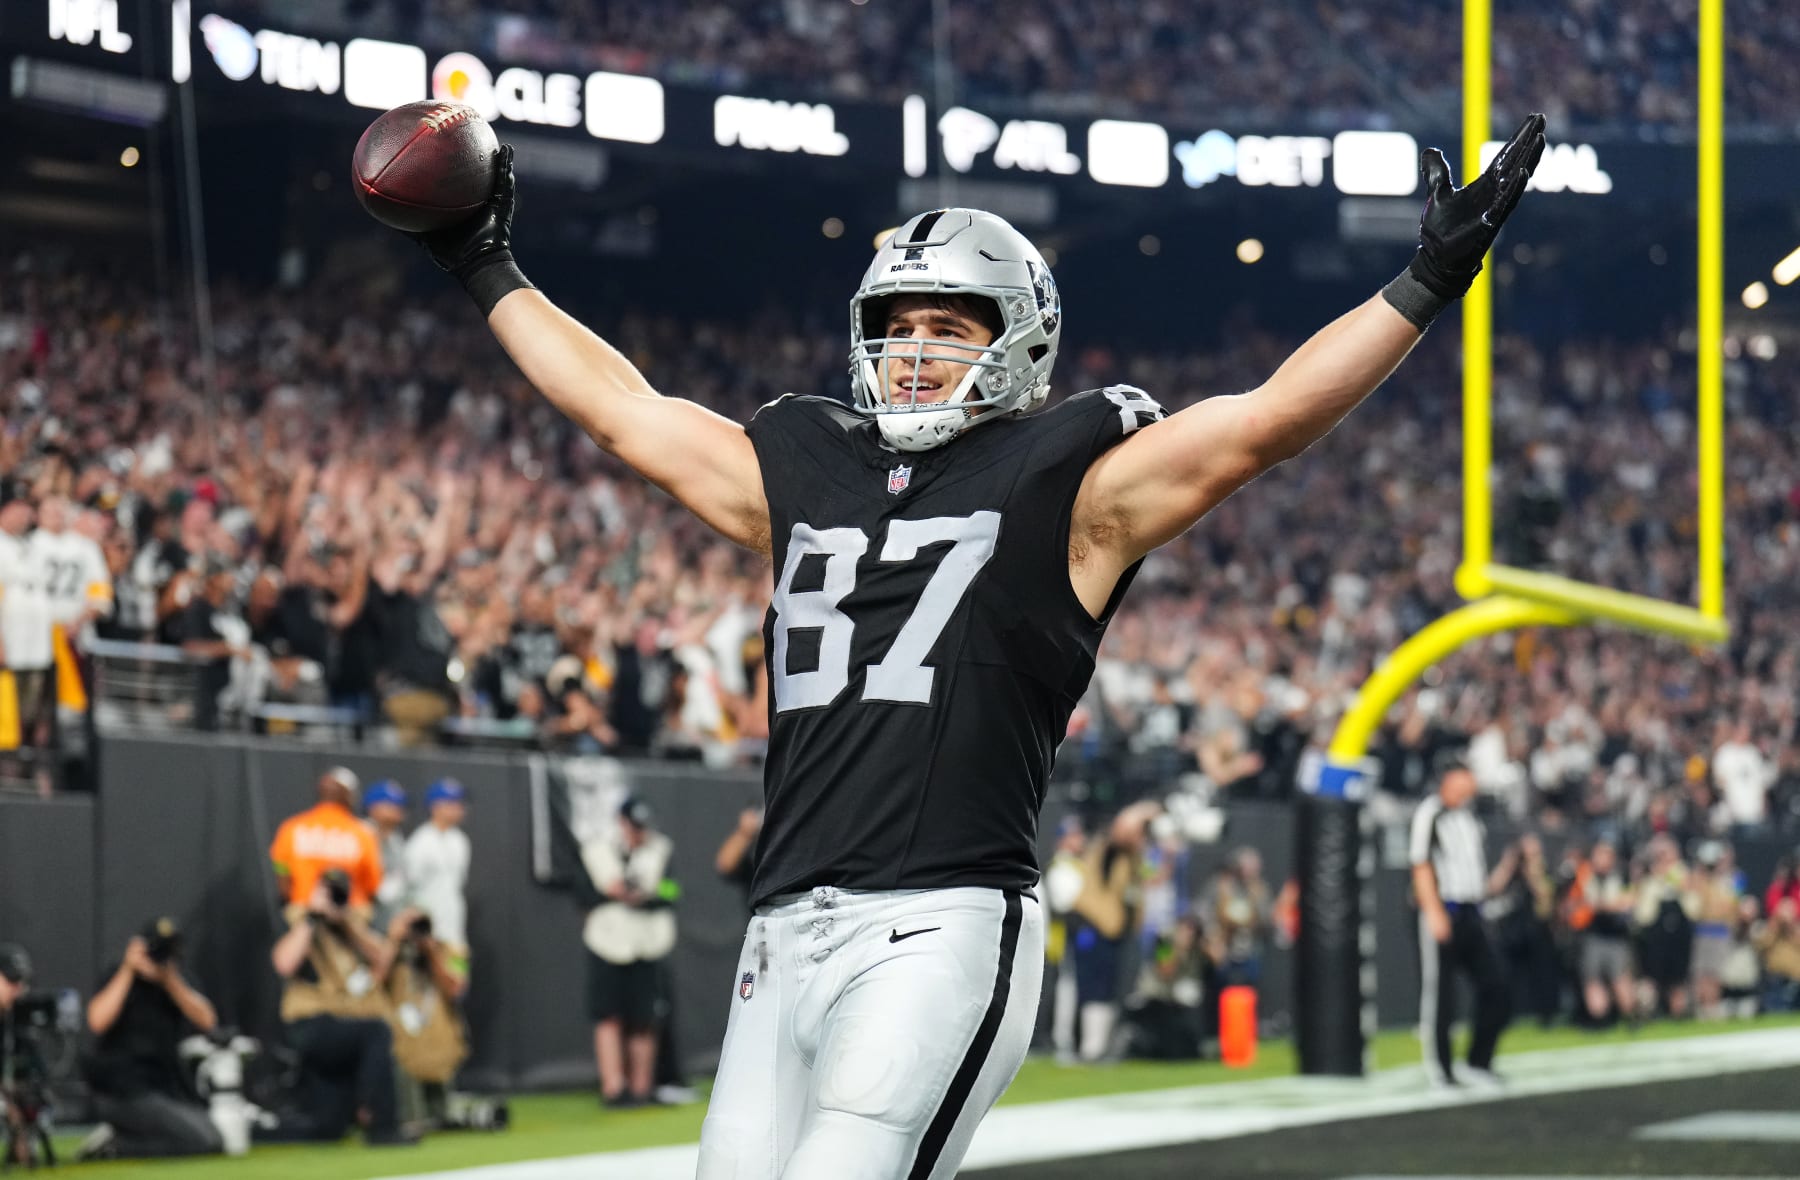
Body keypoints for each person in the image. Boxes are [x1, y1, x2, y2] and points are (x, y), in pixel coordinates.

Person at [386, 111, 1547, 1177]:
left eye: (950, 325)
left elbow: (1262, 423)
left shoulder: (1073, 484)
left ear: (1020, 341)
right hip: (781, 925)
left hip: (938, 917)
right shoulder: (806, 461)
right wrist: (483, 262)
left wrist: (1427, 279)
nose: (916, 350)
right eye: (896, 325)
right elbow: (622, 407)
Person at [269, 869, 415, 1146]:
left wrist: (346, 921)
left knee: (327, 1127)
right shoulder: (298, 918)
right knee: (376, 1032)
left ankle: (259, 1134)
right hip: (310, 1023)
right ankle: (383, 1127)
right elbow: (283, 964)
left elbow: (383, 959)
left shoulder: (351, 924)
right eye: (330, 892)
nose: (334, 898)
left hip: (344, 1026)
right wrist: (313, 915)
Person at [79, 919, 224, 1160]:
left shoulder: (176, 982)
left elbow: (208, 1020)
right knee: (201, 1142)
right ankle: (115, 1149)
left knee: (214, 1138)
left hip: (163, 1089)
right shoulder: (120, 977)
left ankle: (122, 1139)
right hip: (123, 1090)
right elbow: (96, 1020)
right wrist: (128, 969)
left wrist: (170, 980)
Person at [1410, 763, 1511, 1088]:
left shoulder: (1470, 819)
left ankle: (1478, 1062)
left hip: (1472, 911)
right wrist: (1434, 911)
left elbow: (1478, 876)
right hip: (1444, 909)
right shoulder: (1430, 813)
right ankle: (1441, 1070)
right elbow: (1421, 864)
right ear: (1450, 779)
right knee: (1441, 996)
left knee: (1496, 985)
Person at [579, 795, 675, 1107]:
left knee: (644, 1018)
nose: (639, 833)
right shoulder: (597, 850)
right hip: (607, 941)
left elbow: (674, 890)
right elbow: (584, 892)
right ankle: (613, 1087)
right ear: (621, 823)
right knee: (609, 1015)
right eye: (633, 826)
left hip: (646, 942)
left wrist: (647, 895)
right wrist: (615, 892)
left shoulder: (661, 849)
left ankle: (641, 1087)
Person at [0, 484, 55, 794]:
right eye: (20, 506)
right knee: (6, 717)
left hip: (35, 648)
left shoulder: (30, 546)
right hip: (9, 647)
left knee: (32, 716)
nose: (26, 513)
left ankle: (25, 775)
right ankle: (8, 778)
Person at [269, 767, 383, 909]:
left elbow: (281, 870)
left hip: (304, 906)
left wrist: (292, 899)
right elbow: (372, 882)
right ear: (349, 796)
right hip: (350, 912)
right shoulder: (362, 832)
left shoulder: (292, 827)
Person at [1564, 838, 1639, 1025]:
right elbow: (1571, 906)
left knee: (1621, 978)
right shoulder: (1583, 875)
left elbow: (1627, 903)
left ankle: (1629, 1018)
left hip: (1616, 935)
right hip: (1593, 936)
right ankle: (1600, 1021)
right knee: (1592, 979)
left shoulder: (1620, 875)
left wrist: (1599, 905)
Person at [403, 779, 472, 980]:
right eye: (452, 803)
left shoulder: (460, 841)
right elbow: (409, 889)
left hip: (455, 931)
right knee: (424, 985)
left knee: (458, 984)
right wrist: (420, 930)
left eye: (460, 803)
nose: (460, 808)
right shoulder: (420, 842)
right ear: (436, 807)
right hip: (427, 933)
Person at [363, 780, 412, 932]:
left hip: (389, 918)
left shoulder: (396, 839)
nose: (397, 809)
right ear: (373, 807)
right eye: (390, 804)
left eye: (399, 805)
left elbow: (399, 878)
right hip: (363, 916)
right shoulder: (360, 833)